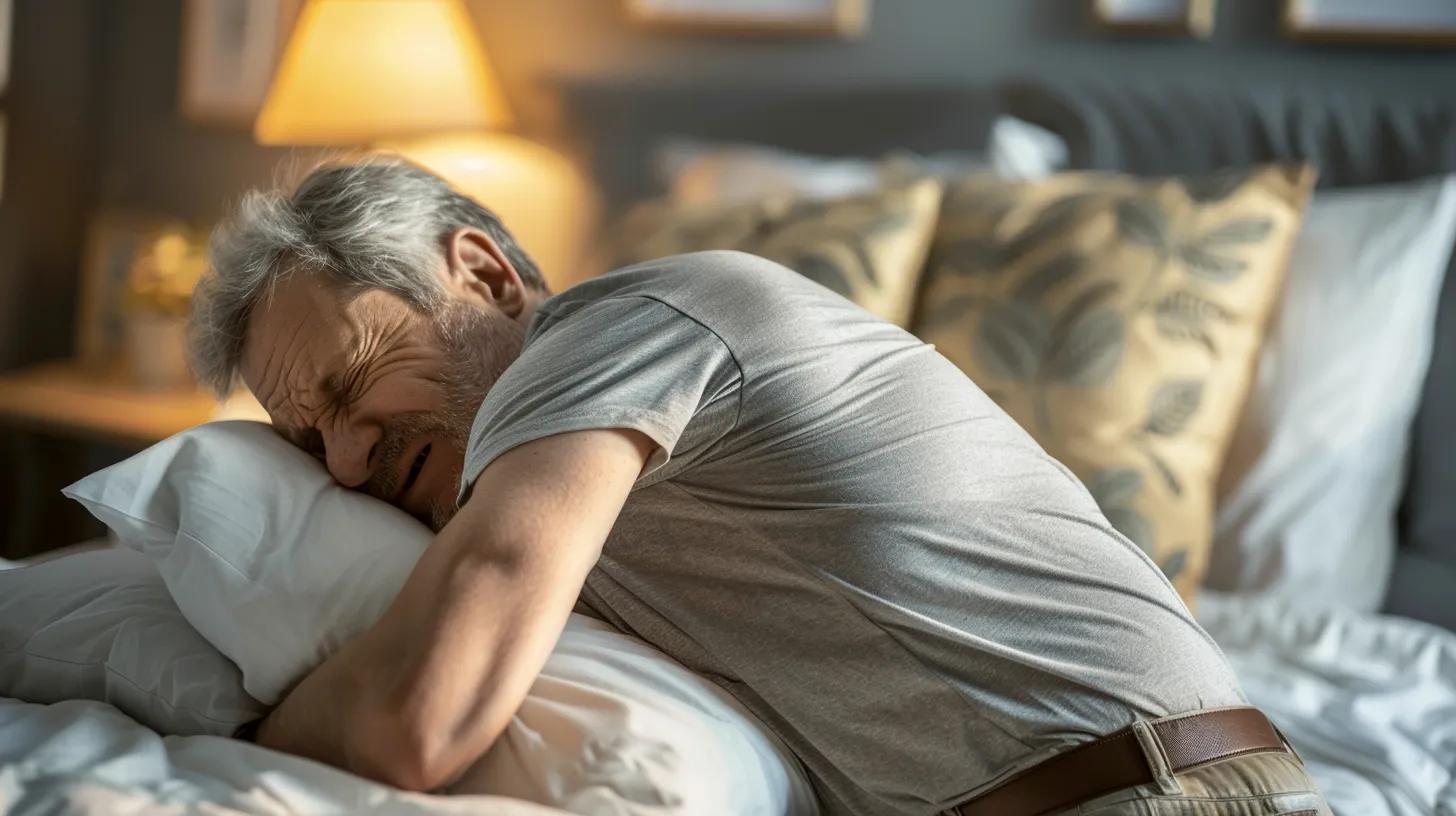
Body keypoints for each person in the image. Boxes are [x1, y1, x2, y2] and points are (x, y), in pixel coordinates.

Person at [188, 157, 1330, 816]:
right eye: (306, 440)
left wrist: (243, 721)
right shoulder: (573, 484)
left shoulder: (611, 335)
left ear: (483, 274)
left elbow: (417, 725)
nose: (343, 463)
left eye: (350, 384)